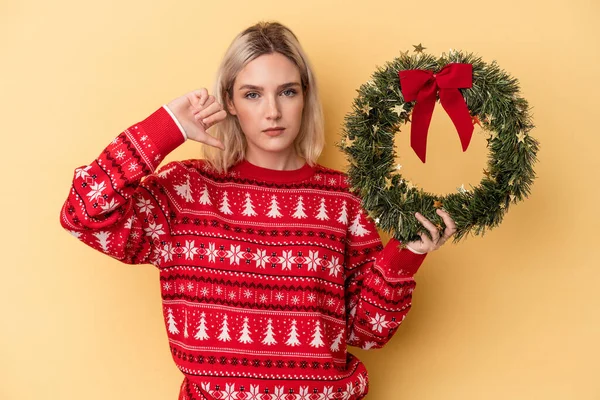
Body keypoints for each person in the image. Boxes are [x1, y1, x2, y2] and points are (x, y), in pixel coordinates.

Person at [60, 21, 456, 400]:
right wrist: (167, 128)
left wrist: (409, 253)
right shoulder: (186, 191)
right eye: (252, 94)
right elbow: (84, 213)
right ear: (229, 101)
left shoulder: (345, 199)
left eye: (287, 92)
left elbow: (366, 332)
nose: (272, 111)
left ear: (305, 97)